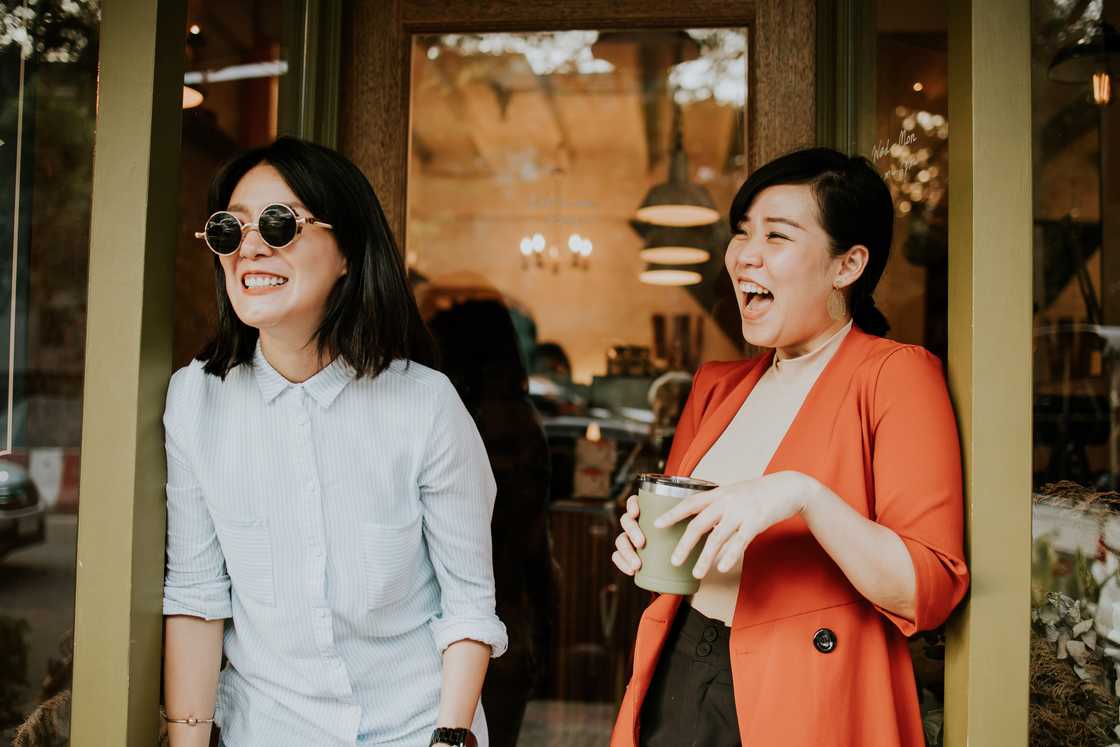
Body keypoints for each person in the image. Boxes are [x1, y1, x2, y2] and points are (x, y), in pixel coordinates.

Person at [609, 147, 969, 746]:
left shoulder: (895, 375)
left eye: (777, 236)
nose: (746, 255)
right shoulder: (716, 386)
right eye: (743, 232)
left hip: (810, 692)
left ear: (847, 265)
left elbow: (925, 591)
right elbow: (682, 550)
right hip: (682, 664)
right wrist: (644, 540)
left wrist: (802, 495)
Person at [161, 136, 505, 747]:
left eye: (278, 224)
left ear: (347, 252)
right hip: (265, 731)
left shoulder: (425, 404)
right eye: (229, 230)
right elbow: (196, 595)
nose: (250, 247)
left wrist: (449, 737)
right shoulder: (195, 400)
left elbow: (468, 606)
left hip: (416, 729)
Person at [428, 299, 555, 747]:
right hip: (507, 617)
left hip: (472, 619)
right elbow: (536, 543)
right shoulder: (522, 421)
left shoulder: (452, 419)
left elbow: (523, 534)